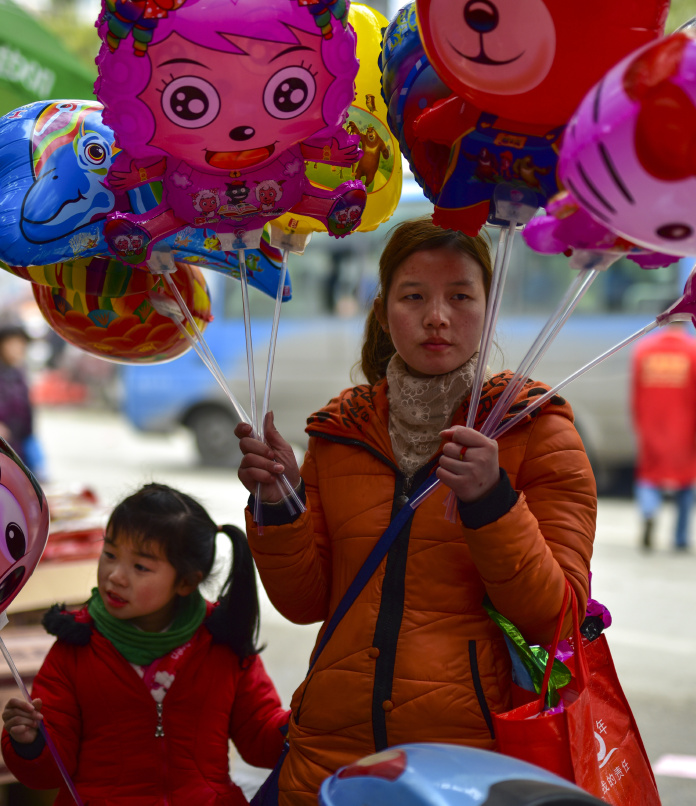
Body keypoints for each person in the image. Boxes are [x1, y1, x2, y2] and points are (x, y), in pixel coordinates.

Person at [234, 216, 597, 805]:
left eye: (460, 296)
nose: (436, 316)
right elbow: (304, 603)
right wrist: (279, 504)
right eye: (414, 297)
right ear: (383, 311)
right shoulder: (340, 430)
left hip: (459, 769)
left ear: (489, 306)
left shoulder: (537, 431)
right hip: (327, 760)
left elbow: (557, 621)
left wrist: (492, 502)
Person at [0, 483, 290, 805]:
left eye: (140, 567)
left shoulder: (222, 640)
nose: (115, 576)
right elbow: (49, 772)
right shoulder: (76, 645)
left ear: (186, 581)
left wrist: (306, 717)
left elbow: (260, 738)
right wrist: (30, 742)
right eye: (109, 554)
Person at [629, 319, 696, 551]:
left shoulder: (643, 350)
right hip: (685, 430)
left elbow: (635, 395)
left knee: (649, 475)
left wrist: (640, 425)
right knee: (686, 480)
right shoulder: (695, 351)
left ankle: (649, 511)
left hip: (652, 427)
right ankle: (680, 538)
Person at [0, 323, 38, 471]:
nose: (20, 348)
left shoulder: (18, 375)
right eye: (13, 343)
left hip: (16, 450)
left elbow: (26, 415)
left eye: (23, 343)